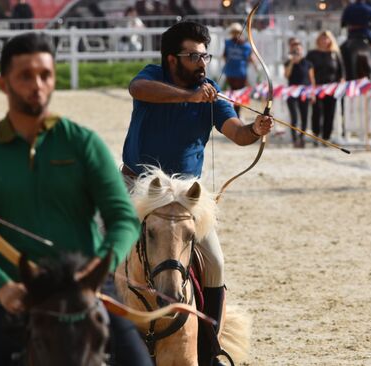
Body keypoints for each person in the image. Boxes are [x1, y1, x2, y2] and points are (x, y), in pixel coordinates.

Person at [0, 32, 152, 366]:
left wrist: (100, 267)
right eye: (25, 76)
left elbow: (122, 218)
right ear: (4, 84)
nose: (37, 85)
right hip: (17, 294)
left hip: (89, 291)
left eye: (45, 75)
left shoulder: (84, 143)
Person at [121, 21, 272, 365]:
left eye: (205, 55)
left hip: (185, 197)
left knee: (215, 263)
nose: (202, 63)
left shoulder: (211, 91)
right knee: (100, 252)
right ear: (172, 60)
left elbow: (237, 133)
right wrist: (190, 96)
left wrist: (255, 129)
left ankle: (209, 348)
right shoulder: (153, 76)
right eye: (193, 56)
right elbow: (138, 89)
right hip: (137, 187)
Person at [306, 31, 344, 144]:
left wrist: (341, 82)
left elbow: (341, 72)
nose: (324, 41)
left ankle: (326, 137)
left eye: (327, 39)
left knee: (330, 113)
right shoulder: (312, 54)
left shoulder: (335, 54)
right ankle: (316, 135)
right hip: (316, 88)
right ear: (318, 40)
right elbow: (307, 70)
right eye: (322, 38)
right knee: (317, 112)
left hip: (331, 89)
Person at [284, 39, 315, 148]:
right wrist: (292, 62)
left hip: (304, 93)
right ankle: (294, 139)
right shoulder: (288, 62)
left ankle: (302, 138)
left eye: (298, 48)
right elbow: (286, 75)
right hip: (292, 93)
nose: (297, 50)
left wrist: (313, 93)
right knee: (294, 117)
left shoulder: (308, 63)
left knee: (304, 117)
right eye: (294, 48)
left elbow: (311, 79)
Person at [223, 22, 254, 117]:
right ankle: (233, 114)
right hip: (231, 73)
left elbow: (250, 58)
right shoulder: (228, 43)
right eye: (234, 32)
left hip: (241, 74)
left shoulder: (246, 46)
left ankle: (237, 115)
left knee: (239, 95)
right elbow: (224, 56)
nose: (235, 34)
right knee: (231, 94)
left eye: (237, 32)